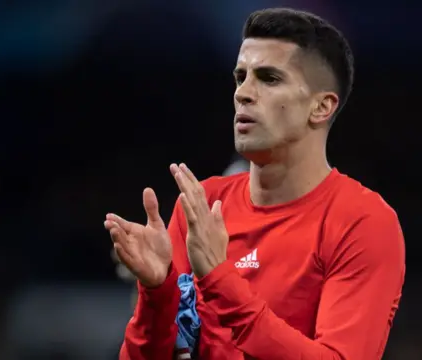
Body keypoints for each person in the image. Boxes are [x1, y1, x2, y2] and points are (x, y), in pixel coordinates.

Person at [104, 8, 406, 360]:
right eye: (240, 77)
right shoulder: (204, 205)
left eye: (269, 78)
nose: (243, 93)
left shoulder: (362, 222)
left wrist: (219, 279)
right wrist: (156, 294)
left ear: (321, 107)